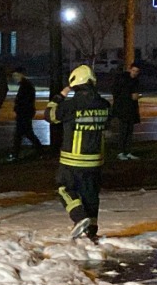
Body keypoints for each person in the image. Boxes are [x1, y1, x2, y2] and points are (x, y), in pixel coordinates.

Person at [47, 64, 111, 240]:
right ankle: (92, 231)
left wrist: (60, 95)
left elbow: (49, 115)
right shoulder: (104, 105)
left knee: (64, 188)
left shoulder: (71, 105)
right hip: (95, 160)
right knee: (91, 195)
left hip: (73, 160)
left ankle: (79, 218)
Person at [8, 67, 44, 161]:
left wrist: (18, 108)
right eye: (13, 76)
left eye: (16, 75)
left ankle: (16, 154)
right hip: (25, 113)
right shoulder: (26, 85)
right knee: (26, 134)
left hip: (24, 113)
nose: (15, 77)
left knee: (21, 134)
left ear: (21, 74)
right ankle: (40, 151)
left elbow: (25, 101)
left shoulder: (25, 86)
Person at [110, 63, 142, 160]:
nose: (135, 73)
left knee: (129, 131)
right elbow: (117, 93)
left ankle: (127, 152)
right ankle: (121, 152)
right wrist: (130, 96)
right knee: (123, 131)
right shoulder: (122, 79)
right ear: (130, 69)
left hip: (131, 109)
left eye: (137, 72)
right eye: (133, 71)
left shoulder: (135, 81)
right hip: (123, 109)